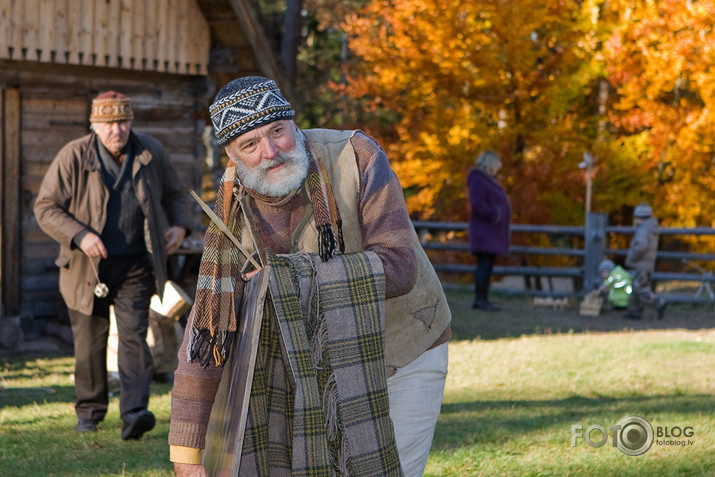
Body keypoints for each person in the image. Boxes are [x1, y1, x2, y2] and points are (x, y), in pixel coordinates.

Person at [168, 76, 452, 477]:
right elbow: (208, 330)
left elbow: (400, 267)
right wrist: (186, 450)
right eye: (250, 144)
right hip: (312, 369)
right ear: (232, 155)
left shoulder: (354, 156)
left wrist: (285, 279)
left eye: (277, 132)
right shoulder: (232, 214)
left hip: (404, 349)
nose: (270, 151)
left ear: (293, 124)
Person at [34, 91, 191, 440]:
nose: (115, 130)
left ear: (131, 122)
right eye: (107, 123)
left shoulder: (150, 151)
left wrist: (179, 226)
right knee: (90, 341)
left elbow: (176, 193)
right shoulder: (74, 155)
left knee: (135, 336)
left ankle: (134, 412)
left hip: (137, 262)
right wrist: (79, 235)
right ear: (94, 125)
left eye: (121, 122)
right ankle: (89, 413)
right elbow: (45, 207)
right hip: (85, 267)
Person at [466, 150, 511, 311]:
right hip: (485, 231)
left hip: (490, 232)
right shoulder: (479, 180)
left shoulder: (486, 180)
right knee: (484, 266)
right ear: (491, 163)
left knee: (487, 265)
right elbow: (478, 204)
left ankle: (483, 299)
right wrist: (495, 214)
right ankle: (480, 300)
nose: (499, 168)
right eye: (497, 164)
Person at [624, 203, 667, 320]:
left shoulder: (643, 230)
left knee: (641, 289)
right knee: (636, 289)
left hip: (640, 263)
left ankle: (658, 303)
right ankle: (635, 312)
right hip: (647, 263)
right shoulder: (651, 228)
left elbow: (640, 246)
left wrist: (631, 258)